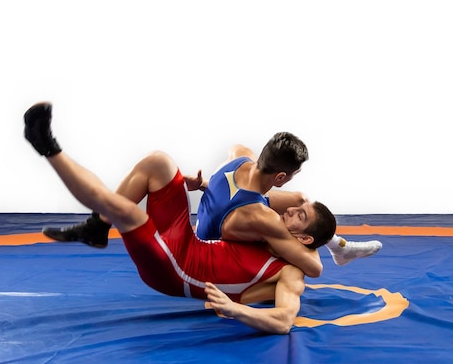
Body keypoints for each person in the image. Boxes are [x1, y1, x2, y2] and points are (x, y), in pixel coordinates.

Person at [23, 102, 335, 334]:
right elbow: (309, 247)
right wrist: (325, 236)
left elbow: (287, 314)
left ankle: (48, 147)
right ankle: (97, 226)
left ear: (304, 239)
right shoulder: (267, 224)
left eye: (299, 216)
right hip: (187, 239)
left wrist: (237, 310)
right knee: (158, 162)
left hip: (178, 267)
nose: (289, 211)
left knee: (125, 211)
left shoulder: (288, 266)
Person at [44, 134, 381, 271]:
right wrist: (306, 241)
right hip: (193, 254)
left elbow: (265, 194)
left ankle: (338, 245)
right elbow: (313, 268)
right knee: (298, 220)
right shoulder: (260, 217)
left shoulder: (238, 156)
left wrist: (205, 184)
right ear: (281, 176)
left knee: (305, 201)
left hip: (211, 214)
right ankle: (332, 244)